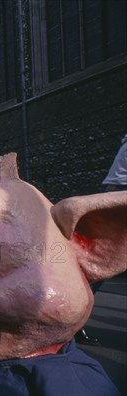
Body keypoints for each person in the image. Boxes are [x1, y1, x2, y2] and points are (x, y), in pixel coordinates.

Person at [76, 133, 127, 345]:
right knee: (101, 262)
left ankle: (75, 315)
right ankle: (74, 315)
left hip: (116, 191)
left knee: (102, 263)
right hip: (120, 194)